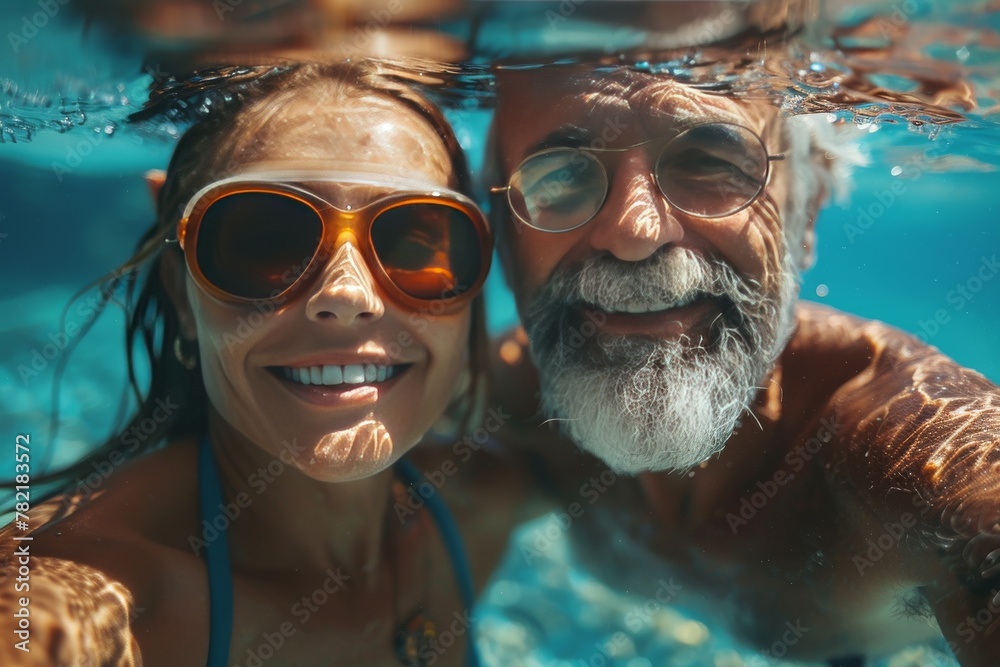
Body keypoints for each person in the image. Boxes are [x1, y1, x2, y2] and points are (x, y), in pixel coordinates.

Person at [0, 60, 541, 667]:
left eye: (413, 242)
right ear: (180, 287)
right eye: (267, 241)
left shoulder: (483, 499)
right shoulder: (94, 601)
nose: (347, 298)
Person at [486, 64, 1000, 665]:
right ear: (502, 239)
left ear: (807, 214)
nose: (634, 233)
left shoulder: (904, 450)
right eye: (562, 173)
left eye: (709, 160)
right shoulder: (504, 403)